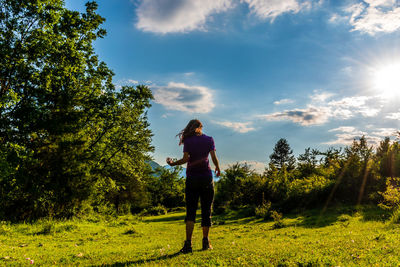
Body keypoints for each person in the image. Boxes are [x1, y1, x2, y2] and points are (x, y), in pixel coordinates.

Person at [166, 119, 221, 253]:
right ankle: (205, 242)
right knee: (206, 210)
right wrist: (218, 168)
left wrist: (173, 164)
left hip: (192, 179)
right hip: (206, 178)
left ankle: (188, 245)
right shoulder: (209, 139)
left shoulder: (188, 141)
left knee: (190, 211)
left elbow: (185, 159)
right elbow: (213, 157)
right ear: (200, 127)